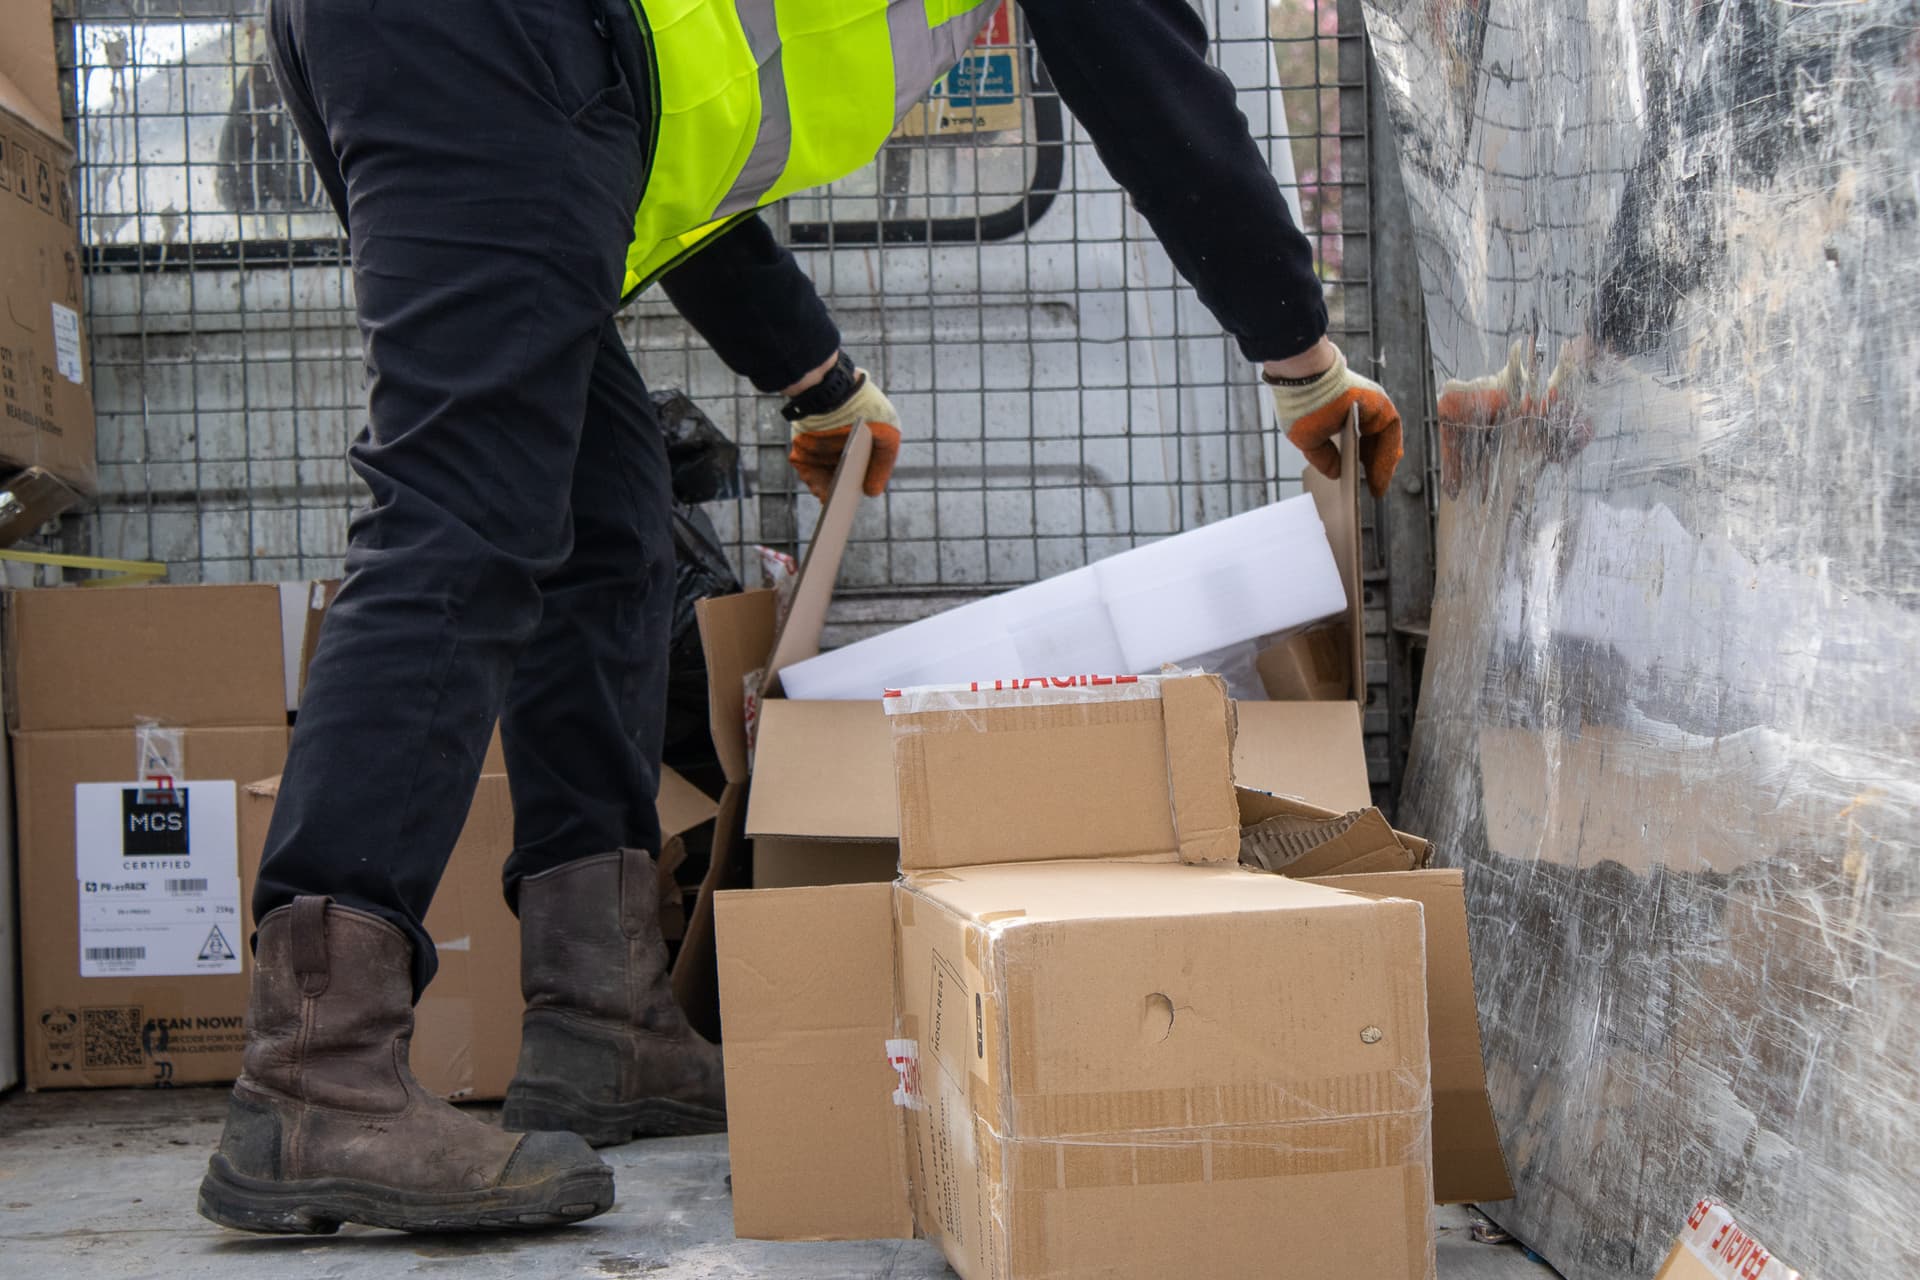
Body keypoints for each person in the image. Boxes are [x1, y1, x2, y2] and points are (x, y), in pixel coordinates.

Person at [196, 0, 1405, 1237]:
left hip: (517, 50)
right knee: (470, 508)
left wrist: (814, 372)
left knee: (602, 510)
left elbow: (669, 139)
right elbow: (1147, 82)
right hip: (487, 34)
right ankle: (317, 1069)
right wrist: (1301, 354)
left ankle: (600, 1017)